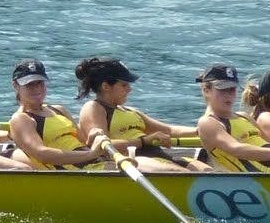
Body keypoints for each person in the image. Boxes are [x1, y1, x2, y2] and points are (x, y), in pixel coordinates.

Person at [73, 56, 209, 173]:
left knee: (207, 171)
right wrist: (145, 141)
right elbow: (101, 146)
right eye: (124, 85)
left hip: (159, 156)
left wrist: (200, 130)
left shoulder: (131, 111)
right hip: (131, 161)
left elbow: (168, 130)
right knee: (179, 172)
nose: (130, 89)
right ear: (106, 86)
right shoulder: (93, 108)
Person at [193, 63, 270, 174]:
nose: (229, 94)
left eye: (232, 89)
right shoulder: (208, 122)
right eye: (222, 89)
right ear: (206, 90)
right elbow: (237, 149)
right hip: (258, 175)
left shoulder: (245, 117)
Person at [4, 59, 107, 169]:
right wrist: (90, 154)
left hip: (93, 162)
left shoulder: (59, 110)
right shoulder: (21, 119)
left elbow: (84, 143)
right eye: (30, 84)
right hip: (74, 171)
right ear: (15, 86)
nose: (37, 88)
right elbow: (42, 154)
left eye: (40, 83)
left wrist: (92, 137)